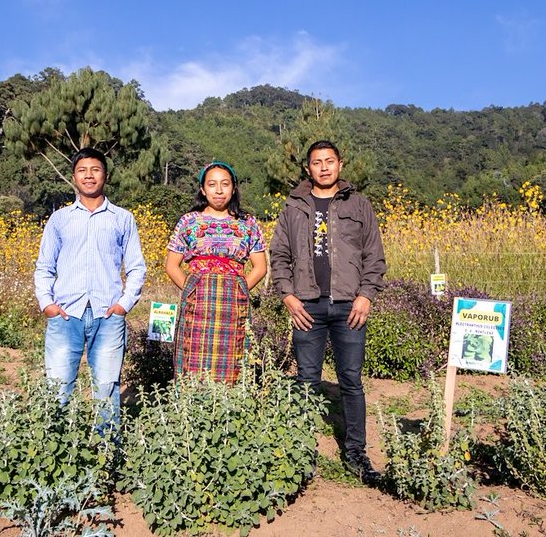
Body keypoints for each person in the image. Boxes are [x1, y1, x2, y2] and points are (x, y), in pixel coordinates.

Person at [269, 140, 386, 484]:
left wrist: (366, 296)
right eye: (317, 162)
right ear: (308, 168)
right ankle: (302, 453)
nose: (323, 167)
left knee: (351, 381)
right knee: (307, 381)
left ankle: (355, 453)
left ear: (340, 164)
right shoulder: (293, 206)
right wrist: (288, 297)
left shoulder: (359, 205)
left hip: (350, 305)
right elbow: (279, 256)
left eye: (329, 161)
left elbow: (374, 257)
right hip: (307, 306)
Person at [34, 147, 147, 428]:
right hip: (65, 315)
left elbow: (136, 267)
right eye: (83, 170)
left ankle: (107, 459)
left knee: (107, 391)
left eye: (95, 170)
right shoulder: (60, 219)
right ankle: (56, 456)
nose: (89, 176)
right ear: (74, 176)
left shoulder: (122, 218)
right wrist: (46, 304)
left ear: (105, 176)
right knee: (58, 389)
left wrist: (123, 305)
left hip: (107, 316)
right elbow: (44, 266)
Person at [165, 161, 267, 384]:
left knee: (234, 359)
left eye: (225, 184)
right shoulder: (188, 222)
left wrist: (238, 290)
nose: (219, 190)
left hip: (234, 305)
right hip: (197, 305)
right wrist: (193, 291)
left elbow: (260, 267)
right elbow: (172, 266)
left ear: (234, 187)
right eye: (212, 184)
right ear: (203, 189)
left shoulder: (248, 223)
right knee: (193, 360)